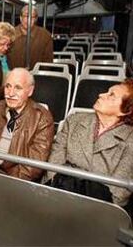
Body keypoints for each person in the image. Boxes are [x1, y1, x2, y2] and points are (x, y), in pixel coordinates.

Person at [44, 79, 133, 208]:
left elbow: (119, 192)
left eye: (111, 95)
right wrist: (54, 190)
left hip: (99, 208)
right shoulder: (74, 121)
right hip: (58, 193)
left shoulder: (129, 139)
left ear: (125, 111)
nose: (101, 95)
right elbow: (53, 164)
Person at [0, 68, 54, 181]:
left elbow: (33, 166)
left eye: (18, 88)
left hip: (13, 179)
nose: (11, 93)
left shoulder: (42, 118)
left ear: (30, 91)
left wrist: (7, 183)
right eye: (8, 86)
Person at [8, 5, 53, 69]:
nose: (28, 19)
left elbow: (48, 60)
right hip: (13, 75)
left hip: (36, 76)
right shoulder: (10, 33)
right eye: (26, 16)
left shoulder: (45, 35)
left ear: (35, 19)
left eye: (32, 17)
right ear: (20, 18)